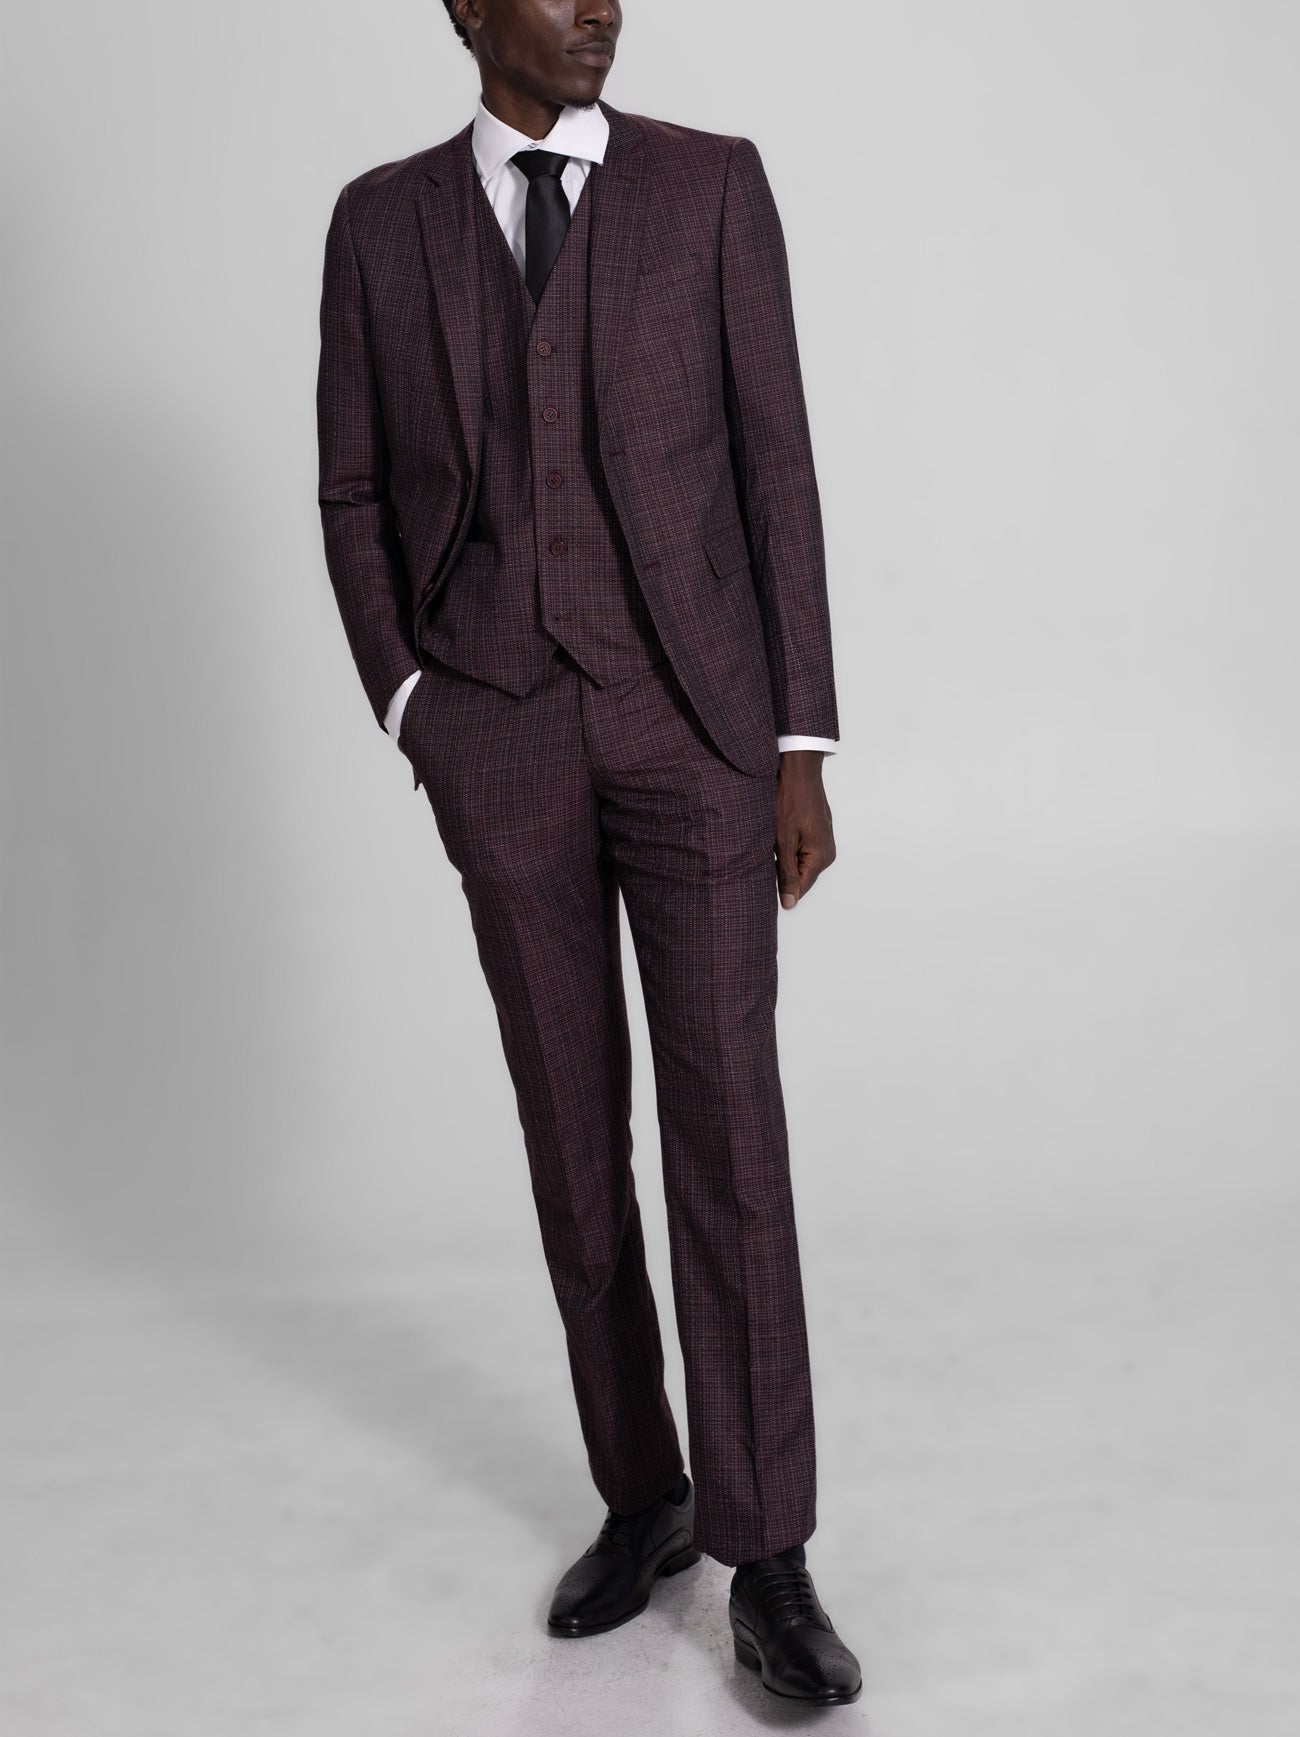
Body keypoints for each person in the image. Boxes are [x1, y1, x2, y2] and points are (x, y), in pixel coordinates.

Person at [315, 0, 861, 1705]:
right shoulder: (382, 223)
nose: (600, 7)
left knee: (730, 1130)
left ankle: (769, 1554)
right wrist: (414, 702)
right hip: (499, 730)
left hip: (694, 722)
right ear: (469, 9)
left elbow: (777, 466)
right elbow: (352, 492)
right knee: (571, 1135)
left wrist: (798, 741)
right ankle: (647, 1494)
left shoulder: (712, 188)